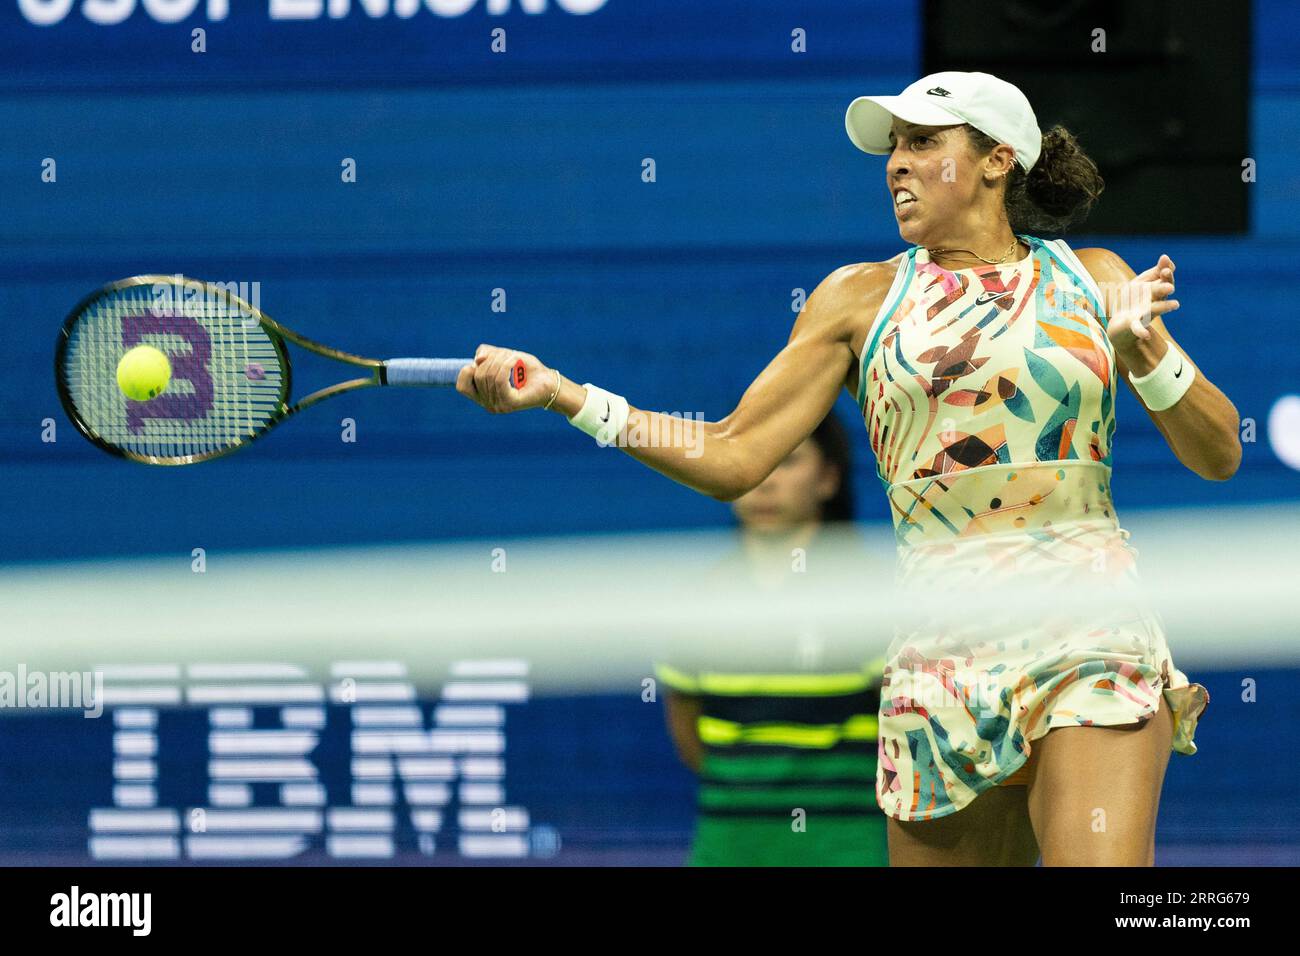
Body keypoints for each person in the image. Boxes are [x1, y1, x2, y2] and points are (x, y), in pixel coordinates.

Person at [455, 71, 1239, 866]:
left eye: (923, 142)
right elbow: (732, 453)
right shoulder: (856, 300)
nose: (896, 162)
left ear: (999, 160)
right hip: (941, 650)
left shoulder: (1094, 279)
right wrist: (567, 395)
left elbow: (1220, 454)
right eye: (893, 146)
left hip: (1089, 628)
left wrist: (1148, 357)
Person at [656, 412, 889, 866]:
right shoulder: (696, 604)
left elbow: (902, 736)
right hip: (726, 850)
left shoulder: (873, 600)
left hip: (848, 851)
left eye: (787, 462)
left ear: (828, 478)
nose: (763, 481)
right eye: (750, 462)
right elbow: (688, 734)